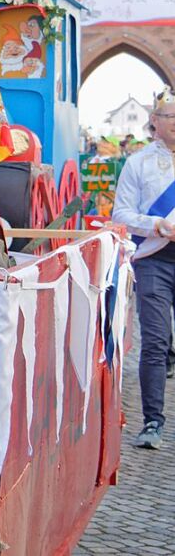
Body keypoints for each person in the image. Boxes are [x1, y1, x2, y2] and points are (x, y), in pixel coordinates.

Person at [112, 87, 175, 450]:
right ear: (156, 121)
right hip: (155, 259)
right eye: (171, 116)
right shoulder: (138, 163)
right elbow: (121, 214)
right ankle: (153, 421)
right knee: (155, 342)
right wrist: (155, 225)